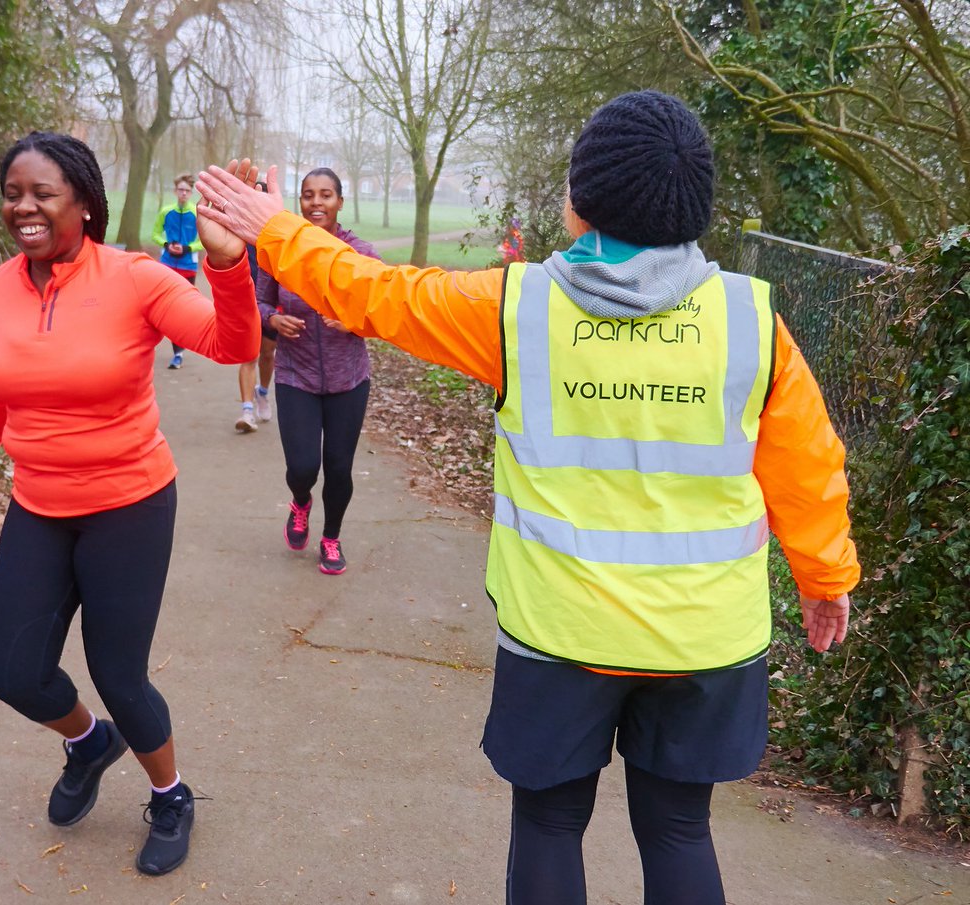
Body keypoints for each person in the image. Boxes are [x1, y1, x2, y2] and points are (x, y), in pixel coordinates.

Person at [196, 91, 860, 904]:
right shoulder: (752, 322)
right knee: (681, 831)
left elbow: (370, 292)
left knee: (549, 828)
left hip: (559, 633)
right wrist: (826, 580)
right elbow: (809, 468)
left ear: (581, 203)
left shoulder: (517, 309)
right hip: (706, 643)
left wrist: (274, 228)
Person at [0, 133, 260, 877]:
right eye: (14, 192)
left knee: (120, 673)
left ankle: (171, 794)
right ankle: (88, 741)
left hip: (129, 504)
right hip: (38, 504)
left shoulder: (135, 279)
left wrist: (224, 261)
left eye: (43, 193)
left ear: (84, 202)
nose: (25, 206)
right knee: (15, 674)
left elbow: (229, 340)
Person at [255, 167, 380, 574]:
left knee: (340, 468)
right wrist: (272, 319)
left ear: (339, 203)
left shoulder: (359, 253)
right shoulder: (280, 251)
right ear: (300, 201)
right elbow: (255, 304)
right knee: (303, 466)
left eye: (326, 195)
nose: (316, 203)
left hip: (349, 379)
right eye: (308, 195)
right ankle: (301, 501)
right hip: (296, 375)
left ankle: (331, 538)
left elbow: (383, 304)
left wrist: (355, 321)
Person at [235, 182, 277, 433]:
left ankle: (262, 392)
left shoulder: (278, 233)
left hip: (271, 305)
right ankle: (247, 411)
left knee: (267, 354)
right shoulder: (240, 232)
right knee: (248, 355)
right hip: (246, 302)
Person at [153, 173, 205, 369]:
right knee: (164, 307)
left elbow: (202, 241)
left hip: (187, 267)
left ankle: (178, 352)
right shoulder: (166, 212)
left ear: (191, 193)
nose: (183, 193)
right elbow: (155, 234)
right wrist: (166, 244)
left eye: (187, 191)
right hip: (167, 264)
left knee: (181, 308)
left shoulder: (196, 213)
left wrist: (187, 248)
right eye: (181, 190)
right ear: (176, 191)